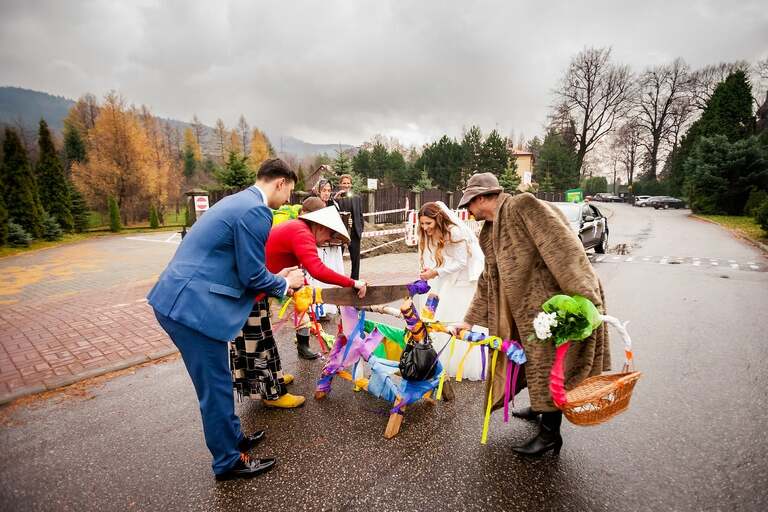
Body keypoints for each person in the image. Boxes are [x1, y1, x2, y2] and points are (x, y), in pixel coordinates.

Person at [147, 158, 305, 481]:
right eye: (290, 190)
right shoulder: (256, 211)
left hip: (185, 301)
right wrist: (286, 284)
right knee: (216, 388)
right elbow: (251, 274)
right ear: (280, 183)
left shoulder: (239, 202)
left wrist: (276, 277)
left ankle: (234, 437)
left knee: (218, 381)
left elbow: (241, 265)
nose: (288, 198)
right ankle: (228, 461)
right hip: (190, 308)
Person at [452, 173, 611, 457]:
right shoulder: (489, 230)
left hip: (550, 305)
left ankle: (550, 434)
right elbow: (488, 279)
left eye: (469, 204)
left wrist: (586, 299)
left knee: (551, 366)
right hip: (519, 311)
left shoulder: (524, 206)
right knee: (528, 361)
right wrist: (468, 318)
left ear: (482, 198)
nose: (468, 211)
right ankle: (540, 406)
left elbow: (564, 249)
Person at [266, 202, 368, 360]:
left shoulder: (297, 228)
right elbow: (317, 269)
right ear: (321, 226)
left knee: (297, 317)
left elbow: (299, 265)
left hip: (272, 280)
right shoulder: (302, 232)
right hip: (264, 286)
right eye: (330, 234)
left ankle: (298, 350)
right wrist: (353, 283)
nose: (328, 239)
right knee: (265, 330)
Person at [415, 201, 485, 380]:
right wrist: (430, 271)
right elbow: (441, 259)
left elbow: (461, 262)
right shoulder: (432, 233)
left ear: (438, 219)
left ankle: (466, 363)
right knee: (443, 316)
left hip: (462, 281)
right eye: (422, 223)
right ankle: (443, 360)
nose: (425, 227)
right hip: (449, 278)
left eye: (428, 223)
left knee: (458, 317)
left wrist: (436, 272)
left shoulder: (455, 232)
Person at [310, 180, 346, 318]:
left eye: (329, 190)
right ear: (319, 191)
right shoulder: (314, 205)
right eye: (324, 190)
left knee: (331, 273)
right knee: (319, 276)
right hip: (318, 246)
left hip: (332, 248)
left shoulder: (334, 205)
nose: (326, 193)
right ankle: (318, 309)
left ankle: (330, 305)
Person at [334, 174, 364, 279]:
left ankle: (354, 281)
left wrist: (360, 230)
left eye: (348, 183)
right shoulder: (336, 199)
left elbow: (360, 215)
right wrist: (335, 198)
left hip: (354, 233)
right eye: (344, 183)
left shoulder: (357, 198)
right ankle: (337, 280)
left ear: (351, 184)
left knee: (355, 261)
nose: (346, 185)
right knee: (337, 258)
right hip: (340, 234)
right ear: (340, 184)